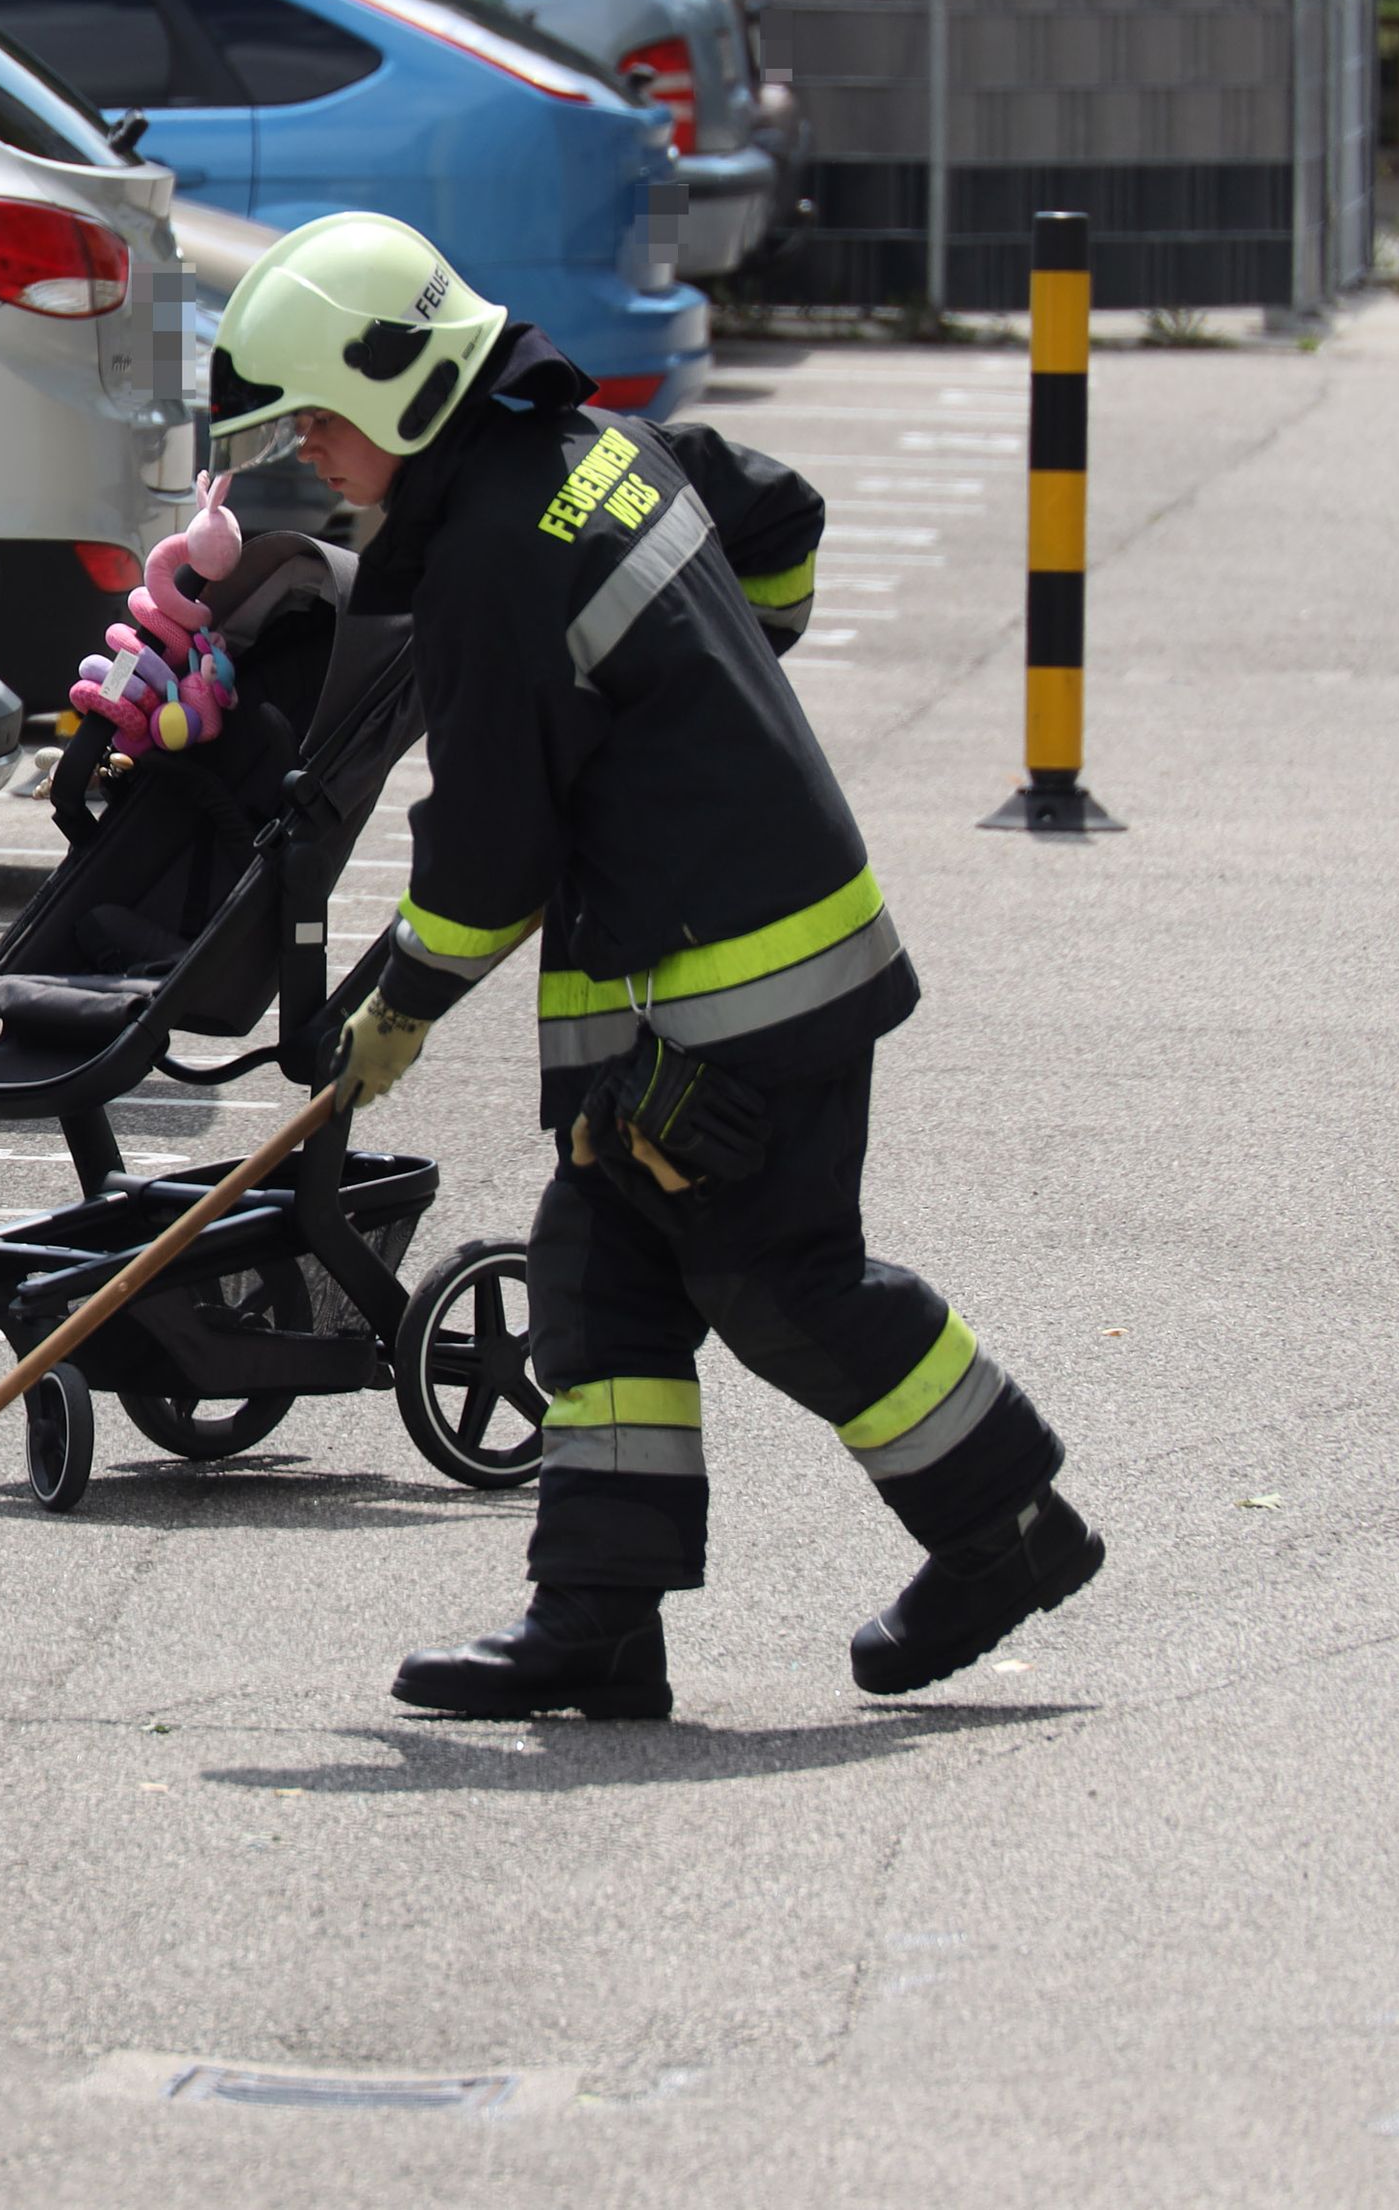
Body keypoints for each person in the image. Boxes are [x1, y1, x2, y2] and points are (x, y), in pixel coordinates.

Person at [204, 211, 1102, 1720]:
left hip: (739, 990)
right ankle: (598, 1622)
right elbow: (778, 508)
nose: (312, 452)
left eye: (324, 421)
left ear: (407, 386)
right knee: (602, 1272)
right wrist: (727, 663)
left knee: (777, 1281)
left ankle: (1006, 1520)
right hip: (699, 978)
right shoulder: (594, 450)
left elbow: (489, 852)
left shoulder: (494, 552)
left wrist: (398, 1009)